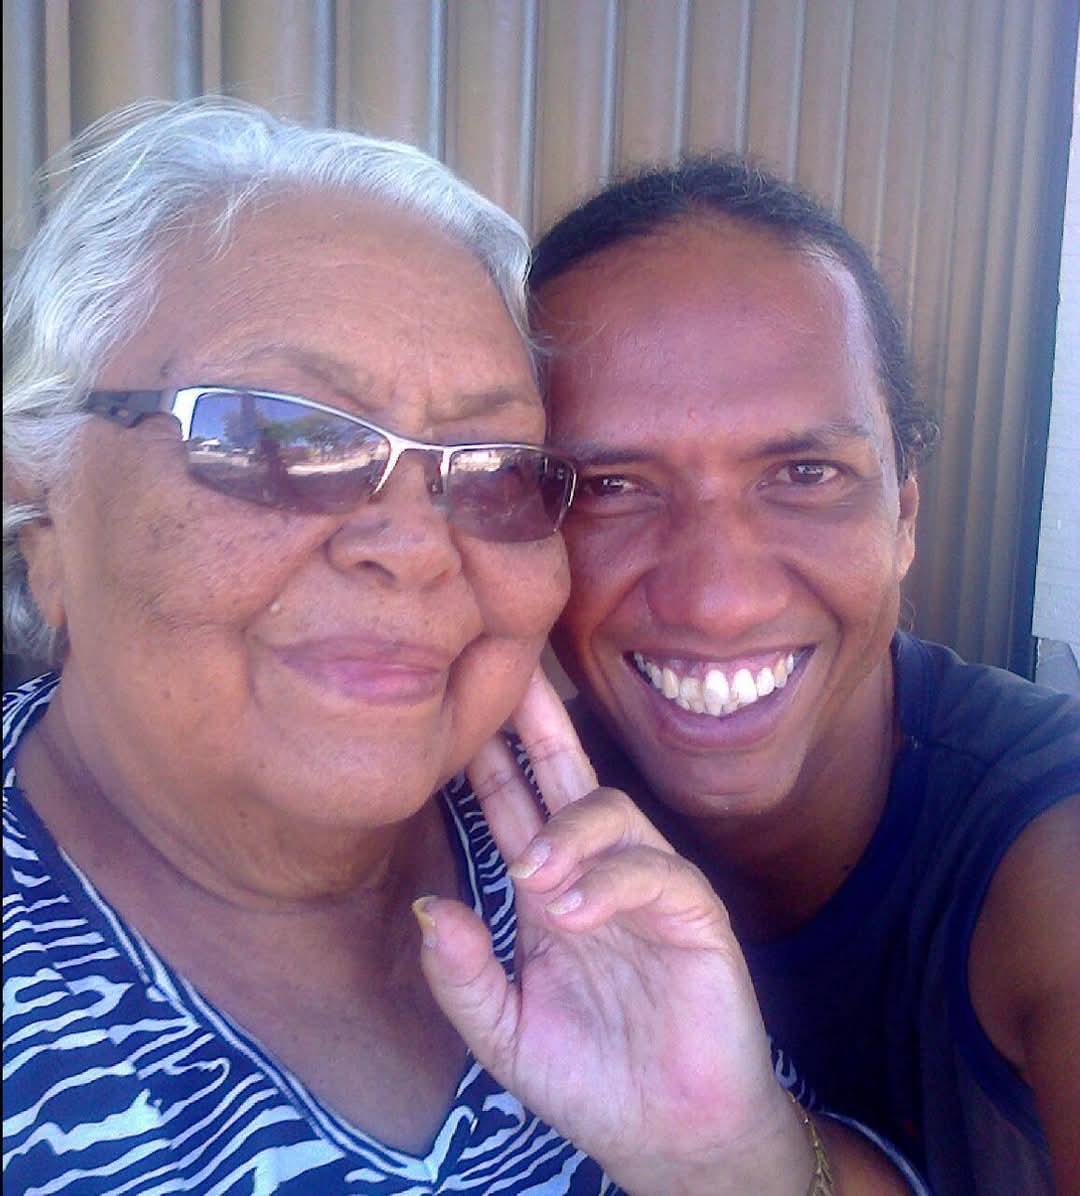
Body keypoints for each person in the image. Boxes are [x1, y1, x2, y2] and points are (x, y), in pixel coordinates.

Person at [1, 99, 923, 1196]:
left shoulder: (572, 840)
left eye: (494, 469)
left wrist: (735, 1157)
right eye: (277, 433)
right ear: (38, 507)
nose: (416, 545)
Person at [529, 155, 1080, 1196]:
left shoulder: (1050, 849)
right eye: (609, 485)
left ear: (905, 511)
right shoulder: (487, 833)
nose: (717, 598)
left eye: (805, 473)